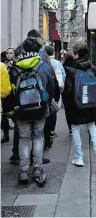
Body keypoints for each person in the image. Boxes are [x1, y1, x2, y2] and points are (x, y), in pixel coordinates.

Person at [10, 38, 55, 186]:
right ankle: (37, 169)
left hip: (22, 110)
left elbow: (11, 90)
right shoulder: (41, 65)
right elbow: (51, 86)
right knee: (37, 137)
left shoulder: (16, 67)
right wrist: (46, 102)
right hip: (40, 109)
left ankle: (23, 171)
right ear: (37, 50)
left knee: (24, 139)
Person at [63, 42, 96, 167]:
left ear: (75, 54)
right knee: (92, 126)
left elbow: (68, 91)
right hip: (91, 103)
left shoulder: (70, 70)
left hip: (75, 105)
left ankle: (79, 157)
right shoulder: (93, 68)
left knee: (75, 129)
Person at [62, 51, 74, 134]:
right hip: (75, 92)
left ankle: (70, 128)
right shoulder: (76, 67)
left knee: (68, 111)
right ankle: (74, 126)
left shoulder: (63, 68)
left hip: (66, 92)